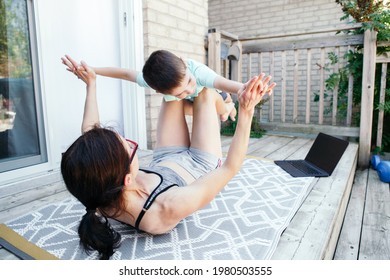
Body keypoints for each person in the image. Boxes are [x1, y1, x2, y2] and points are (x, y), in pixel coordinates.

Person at [60, 57, 275, 260]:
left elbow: (90, 132)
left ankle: (209, 107)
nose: (131, 143)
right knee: (205, 93)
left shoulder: (97, 189)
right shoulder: (164, 208)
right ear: (127, 179)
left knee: (171, 94)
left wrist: (91, 84)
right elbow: (230, 167)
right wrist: (246, 110)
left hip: (167, 156)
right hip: (201, 162)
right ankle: (226, 107)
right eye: (131, 147)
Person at [62, 50, 245, 121]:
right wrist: (92, 71)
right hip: (194, 102)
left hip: (216, 95)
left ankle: (229, 107)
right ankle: (226, 110)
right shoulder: (153, 82)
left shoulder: (196, 72)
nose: (188, 89)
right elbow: (124, 73)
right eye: (179, 92)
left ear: (183, 63)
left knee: (224, 113)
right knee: (178, 107)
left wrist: (245, 87)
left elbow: (223, 82)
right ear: (157, 91)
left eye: (188, 82)